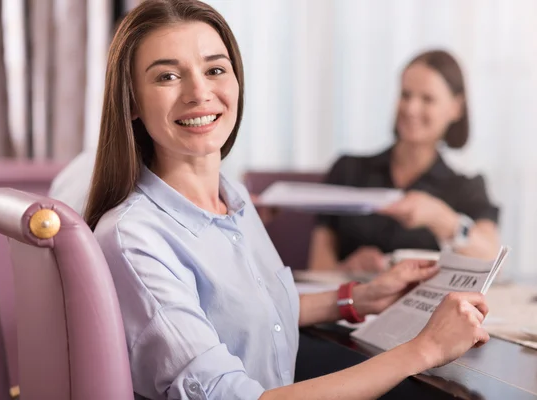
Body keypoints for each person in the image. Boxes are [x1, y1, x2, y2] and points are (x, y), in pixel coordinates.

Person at [86, 1, 491, 399]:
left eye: (215, 70)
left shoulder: (234, 197)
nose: (199, 91)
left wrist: (357, 298)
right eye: (168, 76)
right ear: (132, 101)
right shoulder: (134, 238)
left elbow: (253, 314)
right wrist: (426, 349)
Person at [308, 50, 500, 273]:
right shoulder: (347, 171)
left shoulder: (466, 188)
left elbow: (490, 261)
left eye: (427, 99)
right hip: (354, 303)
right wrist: (346, 270)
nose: (411, 109)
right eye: (405, 95)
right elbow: (316, 270)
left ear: (455, 108)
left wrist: (440, 218)